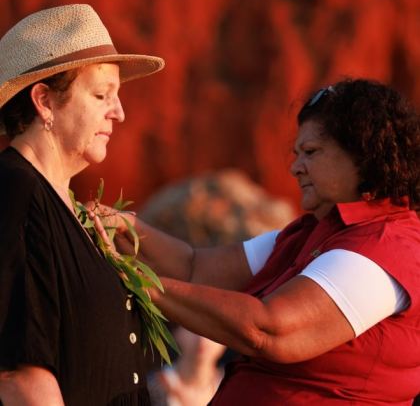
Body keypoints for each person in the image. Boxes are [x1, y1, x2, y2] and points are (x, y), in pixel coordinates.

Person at [94, 79, 420, 404]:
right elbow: (194, 268)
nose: (295, 167)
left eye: (310, 152)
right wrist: (124, 226)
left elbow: (270, 329)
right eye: (296, 154)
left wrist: (140, 285)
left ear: (362, 153)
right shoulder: (309, 232)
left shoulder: (388, 245)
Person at [0, 4, 165, 405]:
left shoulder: (64, 205)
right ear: (44, 101)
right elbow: (21, 377)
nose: (119, 113)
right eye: (100, 95)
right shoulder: (14, 192)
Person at [148, 326, 225, 406]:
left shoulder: (234, 387)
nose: (202, 339)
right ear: (176, 331)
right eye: (193, 329)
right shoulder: (149, 389)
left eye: (213, 330)